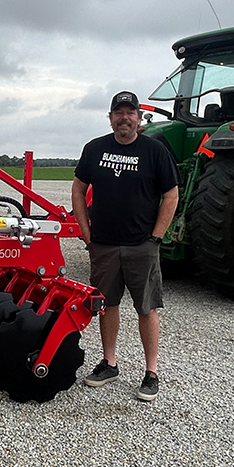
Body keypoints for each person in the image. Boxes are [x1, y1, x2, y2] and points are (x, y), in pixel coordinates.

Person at [71, 91, 180, 401]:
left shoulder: (154, 151)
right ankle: (109, 363)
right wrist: (85, 229)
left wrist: (156, 236)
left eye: (130, 112)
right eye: (118, 112)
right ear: (110, 118)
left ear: (138, 118)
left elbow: (171, 195)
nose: (124, 117)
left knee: (146, 308)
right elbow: (79, 190)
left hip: (141, 245)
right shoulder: (94, 149)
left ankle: (151, 372)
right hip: (103, 245)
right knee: (107, 305)